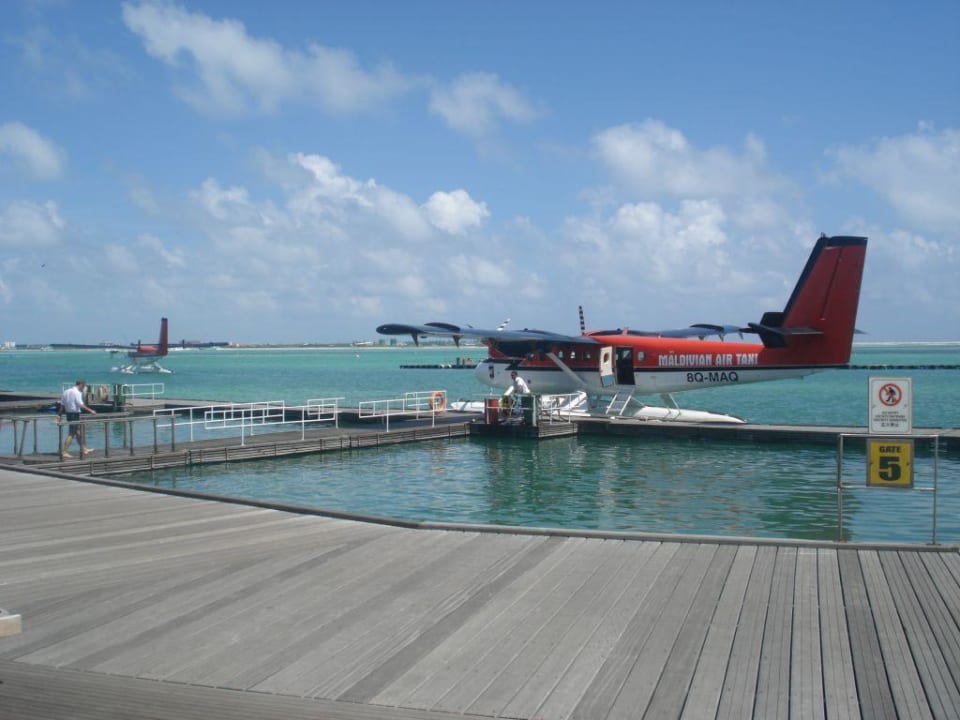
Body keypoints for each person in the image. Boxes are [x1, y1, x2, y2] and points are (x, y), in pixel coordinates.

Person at [58, 379, 97, 459]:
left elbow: (62, 405)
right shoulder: (77, 392)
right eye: (84, 386)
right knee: (71, 434)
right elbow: (80, 405)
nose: (84, 388)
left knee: (78, 432)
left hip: (68, 414)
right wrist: (91, 411)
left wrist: (59, 415)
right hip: (74, 414)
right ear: (81, 385)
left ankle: (84, 448)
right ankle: (64, 452)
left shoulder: (66, 391)